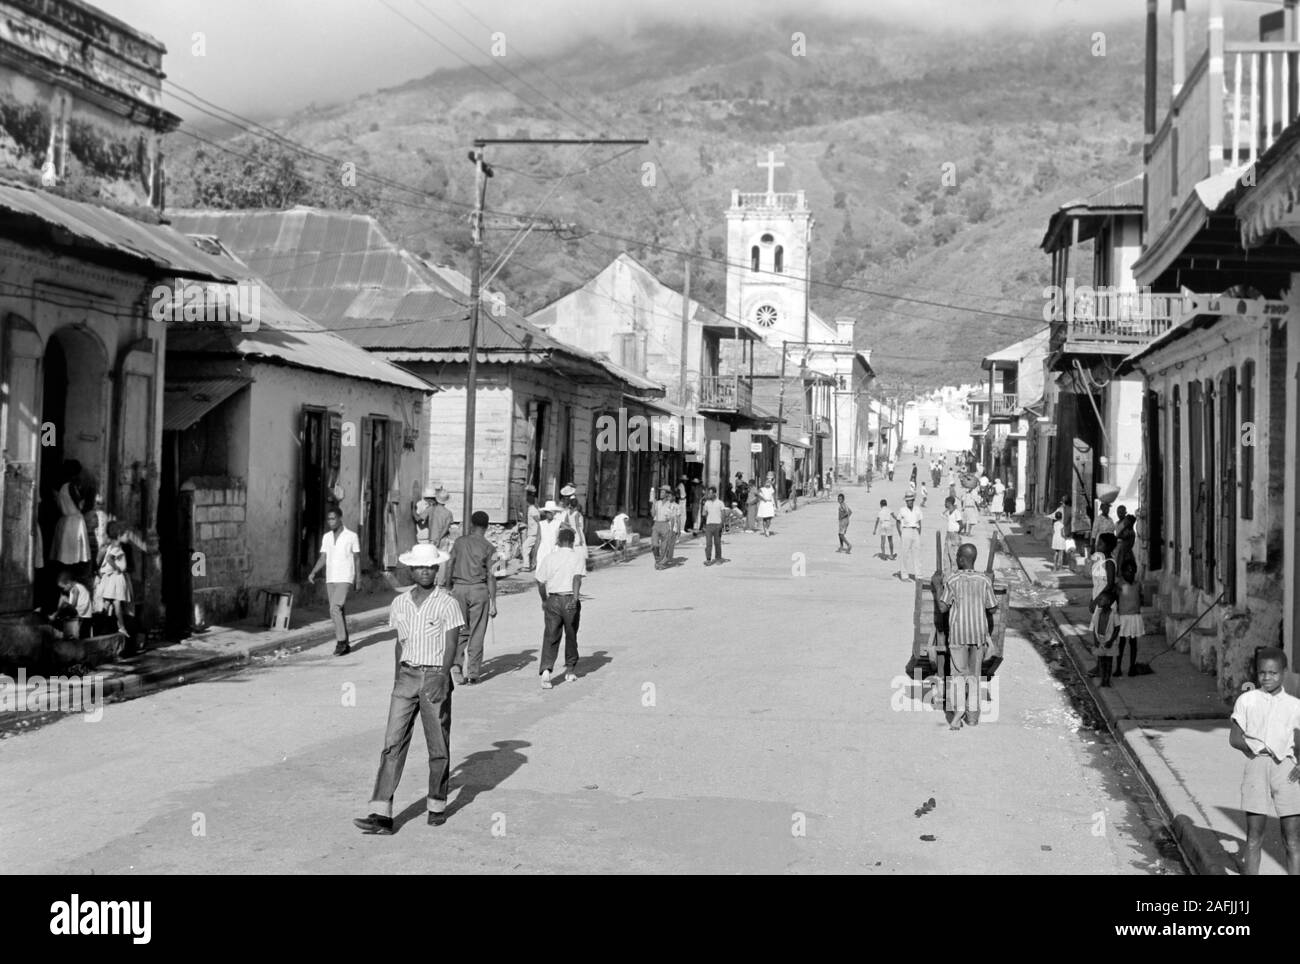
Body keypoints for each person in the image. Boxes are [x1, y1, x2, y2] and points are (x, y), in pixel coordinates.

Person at [353, 543, 464, 835]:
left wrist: (443, 675)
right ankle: (381, 813)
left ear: (436, 570)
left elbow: (451, 643)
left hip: (433, 677)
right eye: (420, 567)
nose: (425, 572)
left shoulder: (447, 602)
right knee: (392, 742)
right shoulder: (400, 603)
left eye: (430, 567)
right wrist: (396, 680)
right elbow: (399, 642)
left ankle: (437, 803)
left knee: (437, 744)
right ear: (411, 570)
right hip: (406, 676)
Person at [1229, 647, 1300, 874]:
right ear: (1256, 673)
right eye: (1262, 673)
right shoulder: (1247, 700)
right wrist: (1257, 747)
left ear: (1284, 672)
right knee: (1253, 837)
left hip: (1286, 770)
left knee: (1292, 840)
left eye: (1273, 673)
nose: (1267, 678)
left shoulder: (1294, 706)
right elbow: (1234, 738)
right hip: (1257, 766)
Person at [936, 543, 999, 730]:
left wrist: (937, 585)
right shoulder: (984, 580)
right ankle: (972, 717)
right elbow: (993, 607)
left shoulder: (953, 580)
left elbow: (942, 608)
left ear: (963, 559)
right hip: (978, 635)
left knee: (958, 676)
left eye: (957, 556)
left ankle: (957, 715)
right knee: (974, 676)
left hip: (958, 635)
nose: (956, 558)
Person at [441, 510, 498, 686]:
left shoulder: (459, 542)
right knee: (477, 632)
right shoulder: (490, 547)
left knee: (459, 629)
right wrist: (494, 602)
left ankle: (456, 664)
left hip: (459, 589)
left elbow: (449, 564)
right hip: (479, 590)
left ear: (472, 524)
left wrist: (449, 586)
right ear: (487, 527)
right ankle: (473, 673)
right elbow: (492, 575)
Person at [535, 526, 586, 689]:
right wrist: (575, 599)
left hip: (553, 599)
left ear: (558, 541)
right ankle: (570, 670)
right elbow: (577, 579)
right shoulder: (577, 557)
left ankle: (546, 671)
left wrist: (544, 599)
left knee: (551, 635)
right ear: (572, 542)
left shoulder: (550, 558)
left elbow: (540, 582)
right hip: (570, 597)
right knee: (571, 635)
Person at [307, 507, 361, 656]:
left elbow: (356, 558)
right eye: (328, 519)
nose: (331, 522)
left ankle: (341, 642)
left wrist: (358, 579)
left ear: (340, 518)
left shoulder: (352, 536)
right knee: (339, 611)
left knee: (334, 608)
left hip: (345, 577)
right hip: (331, 577)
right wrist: (313, 572)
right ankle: (346, 643)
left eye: (333, 518)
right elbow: (324, 557)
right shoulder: (327, 537)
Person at [91, 520, 132, 637]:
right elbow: (109, 558)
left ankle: (98, 626)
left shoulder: (110, 546)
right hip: (115, 579)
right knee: (117, 603)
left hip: (110, 579)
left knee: (107, 604)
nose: (128, 537)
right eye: (126, 535)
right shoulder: (117, 547)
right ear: (119, 535)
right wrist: (117, 568)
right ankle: (121, 627)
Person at [1089, 532, 1119, 682]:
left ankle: (1103, 669)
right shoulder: (1100, 562)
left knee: (1103, 635)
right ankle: (1099, 666)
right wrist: (1092, 598)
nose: (1097, 545)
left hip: (1105, 604)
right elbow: (1097, 584)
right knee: (1097, 634)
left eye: (1100, 544)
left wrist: (1096, 601)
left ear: (1107, 546)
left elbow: (1110, 584)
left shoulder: (1109, 562)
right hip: (1098, 601)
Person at [50, 459, 90, 568]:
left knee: (64, 556)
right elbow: (80, 505)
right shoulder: (71, 486)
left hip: (64, 521)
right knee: (74, 557)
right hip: (74, 523)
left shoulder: (60, 487)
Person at [1114, 559, 1142, 679]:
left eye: (1132, 571)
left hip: (1134, 616)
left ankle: (1132, 667)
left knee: (1133, 643)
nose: (1130, 573)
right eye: (1127, 571)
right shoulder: (1119, 584)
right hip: (1123, 616)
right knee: (1121, 643)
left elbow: (1141, 597)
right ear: (1123, 572)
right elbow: (1115, 598)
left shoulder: (1137, 584)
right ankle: (1118, 668)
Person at [52, 567, 92, 639]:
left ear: (69, 583)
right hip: (82, 613)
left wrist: (63, 608)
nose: (64, 590)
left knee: (63, 602)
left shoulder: (75, 589)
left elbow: (73, 604)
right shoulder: (77, 587)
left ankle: (54, 615)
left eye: (63, 588)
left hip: (81, 614)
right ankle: (55, 616)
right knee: (63, 599)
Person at [897, 492, 924, 582]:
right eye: (908, 501)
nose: (909, 502)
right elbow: (898, 521)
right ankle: (904, 576)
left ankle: (918, 575)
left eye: (911, 500)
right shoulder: (902, 510)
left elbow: (920, 522)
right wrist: (901, 533)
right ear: (906, 501)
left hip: (915, 530)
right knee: (905, 554)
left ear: (913, 500)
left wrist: (918, 532)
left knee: (917, 554)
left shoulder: (917, 509)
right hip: (906, 530)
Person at [650, 488, 675, 569]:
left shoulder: (670, 505)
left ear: (667, 494)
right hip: (656, 524)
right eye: (660, 492)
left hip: (665, 525)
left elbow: (671, 518)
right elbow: (653, 514)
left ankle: (660, 563)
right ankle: (658, 560)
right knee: (654, 545)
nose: (660, 493)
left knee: (664, 547)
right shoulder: (657, 503)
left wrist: (671, 530)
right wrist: (653, 504)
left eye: (663, 492)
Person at [535, 499, 563, 569]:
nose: (550, 514)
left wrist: (560, 538)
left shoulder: (558, 523)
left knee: (552, 570)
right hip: (542, 550)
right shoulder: (541, 524)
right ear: (545, 513)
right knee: (540, 570)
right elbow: (538, 539)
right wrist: (534, 554)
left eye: (552, 512)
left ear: (554, 513)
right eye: (548, 512)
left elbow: (571, 529)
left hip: (553, 550)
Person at [700, 486, 725, 565]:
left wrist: (722, 524)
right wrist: (703, 506)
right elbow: (704, 514)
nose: (709, 495)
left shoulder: (720, 503)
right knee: (708, 543)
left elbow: (723, 514)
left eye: (710, 493)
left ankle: (718, 558)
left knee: (717, 543)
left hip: (718, 524)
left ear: (714, 493)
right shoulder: (707, 503)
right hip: (709, 525)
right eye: (708, 493)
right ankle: (708, 559)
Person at [519, 485, 541, 570]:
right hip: (533, 532)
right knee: (529, 549)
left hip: (534, 533)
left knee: (525, 547)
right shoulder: (534, 509)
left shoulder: (532, 510)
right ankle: (530, 564)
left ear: (527, 502)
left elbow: (538, 521)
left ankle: (526, 565)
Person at [1114, 505, 1137, 575]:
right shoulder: (1117, 523)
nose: (1119, 514)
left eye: (1121, 512)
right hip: (1119, 547)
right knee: (1118, 564)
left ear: (1125, 512)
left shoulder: (1128, 527)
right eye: (1118, 512)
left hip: (1125, 548)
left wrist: (1125, 527)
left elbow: (1119, 536)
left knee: (1123, 564)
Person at [942, 495, 962, 574]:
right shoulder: (949, 512)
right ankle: (947, 572)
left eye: (946, 503)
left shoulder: (956, 512)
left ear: (950, 503)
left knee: (953, 555)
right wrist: (947, 509)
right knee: (946, 554)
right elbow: (942, 514)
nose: (945, 504)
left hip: (954, 534)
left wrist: (957, 533)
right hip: (948, 534)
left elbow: (961, 524)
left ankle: (954, 572)